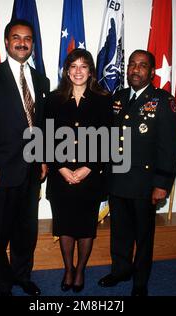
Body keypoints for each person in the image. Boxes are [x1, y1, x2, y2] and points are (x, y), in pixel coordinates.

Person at [0, 19, 50, 296]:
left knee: (26, 230)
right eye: (16, 37)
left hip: (31, 171)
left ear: (32, 43)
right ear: (6, 42)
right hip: (0, 170)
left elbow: (41, 124)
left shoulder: (42, 80)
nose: (22, 43)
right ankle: (2, 283)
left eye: (27, 39)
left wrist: (43, 159)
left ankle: (22, 276)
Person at [98, 50, 176, 296]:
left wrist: (162, 184)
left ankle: (140, 280)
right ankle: (120, 270)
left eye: (142, 65)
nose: (135, 69)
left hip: (145, 183)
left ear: (152, 72)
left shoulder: (164, 101)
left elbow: (169, 147)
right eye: (132, 65)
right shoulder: (120, 97)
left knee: (143, 235)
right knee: (120, 231)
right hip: (118, 178)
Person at [44, 49, 111, 293]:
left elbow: (109, 140)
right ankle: (68, 268)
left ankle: (80, 269)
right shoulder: (53, 99)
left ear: (91, 71)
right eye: (73, 66)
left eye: (84, 66)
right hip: (60, 176)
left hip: (90, 177)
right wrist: (60, 168)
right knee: (64, 225)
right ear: (66, 70)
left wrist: (88, 168)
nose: (78, 71)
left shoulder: (103, 99)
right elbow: (45, 138)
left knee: (85, 227)